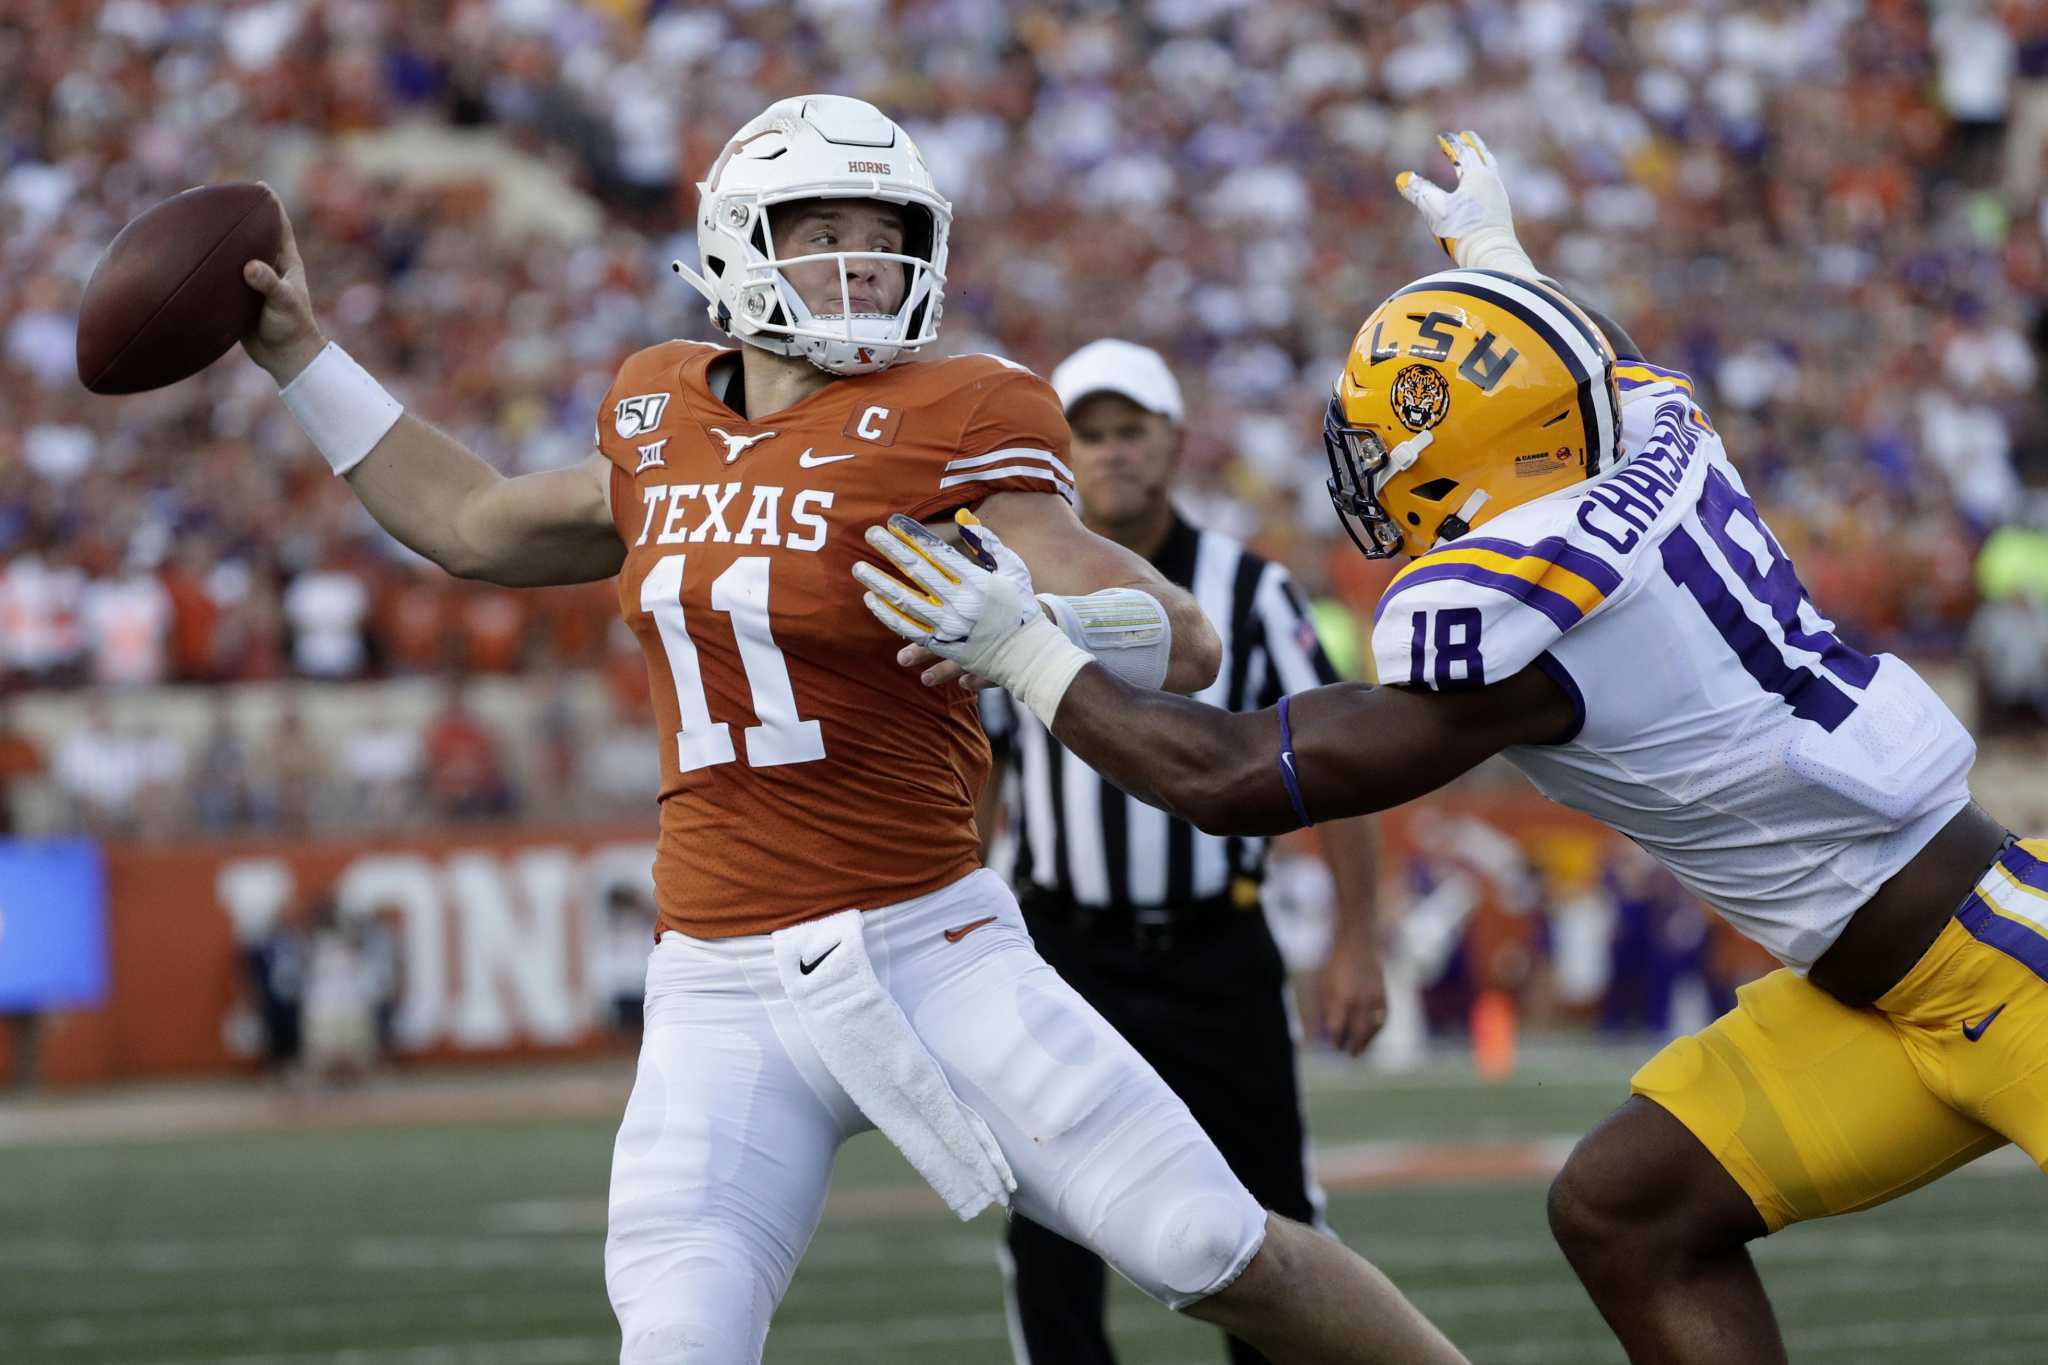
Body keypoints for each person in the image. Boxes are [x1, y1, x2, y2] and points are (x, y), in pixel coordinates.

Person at [230, 94, 1460, 1365]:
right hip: (713, 976)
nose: (862, 263)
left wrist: (1027, 618)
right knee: (677, 1340)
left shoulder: (961, 410)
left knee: (1209, 1248)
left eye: (888, 233)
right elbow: (473, 523)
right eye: (821, 229)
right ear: (732, 244)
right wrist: (300, 357)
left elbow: (1183, 640)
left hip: (930, 944)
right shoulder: (659, 414)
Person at [858, 131, 2041, 1365]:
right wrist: (1493, 259)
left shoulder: (1526, 624)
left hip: (2009, 966)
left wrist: (1025, 652)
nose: (1369, 477)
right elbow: (1590, 357)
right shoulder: (1646, 431)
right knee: (1623, 1209)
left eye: (1385, 450)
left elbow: (1224, 777)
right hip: (1880, 994)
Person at [979, 338, 1389, 1365]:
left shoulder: (1248, 591)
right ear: (1060, 453)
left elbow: (1327, 762)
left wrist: (1355, 941)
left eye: (1132, 431)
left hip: (1219, 950)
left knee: (1268, 1220)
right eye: (1091, 434)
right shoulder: (1001, 586)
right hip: (1063, 952)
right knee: (1048, 1229)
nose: (1112, 454)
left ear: (1173, 443)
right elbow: (972, 775)